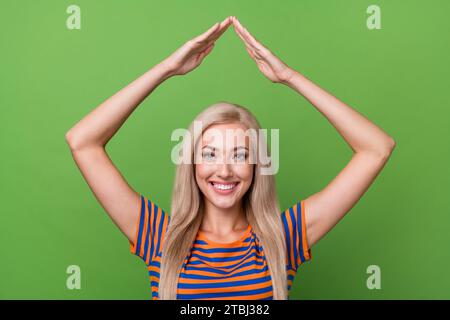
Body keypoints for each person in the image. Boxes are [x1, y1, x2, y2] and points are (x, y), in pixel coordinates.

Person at [65, 16, 396, 300]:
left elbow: (376, 148)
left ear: (256, 166)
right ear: (192, 163)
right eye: (210, 154)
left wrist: (289, 77)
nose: (224, 170)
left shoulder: (284, 238)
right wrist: (167, 69)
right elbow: (82, 141)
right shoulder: (159, 237)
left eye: (239, 154)